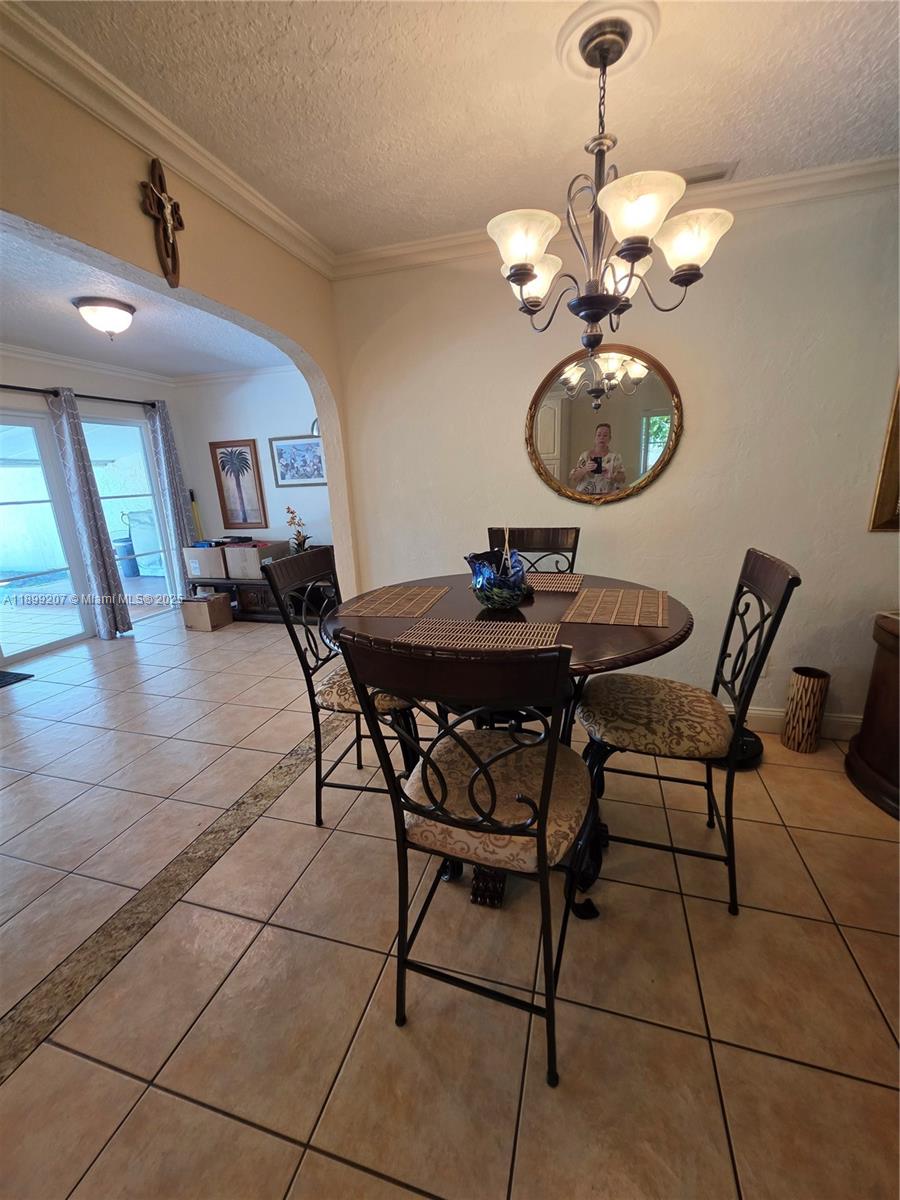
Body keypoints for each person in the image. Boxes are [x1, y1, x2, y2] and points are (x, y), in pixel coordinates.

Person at [569, 423, 627, 495]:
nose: (601, 438)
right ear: (595, 438)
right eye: (599, 435)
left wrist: (611, 474)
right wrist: (585, 469)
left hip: (607, 497)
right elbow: (574, 479)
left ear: (609, 439)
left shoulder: (615, 457)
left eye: (605, 435)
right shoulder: (585, 455)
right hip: (584, 497)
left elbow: (622, 479)